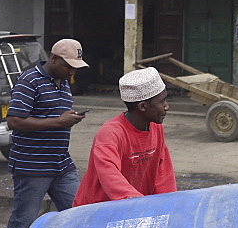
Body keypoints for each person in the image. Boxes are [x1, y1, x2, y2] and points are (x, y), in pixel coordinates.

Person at [0, 38, 88, 228]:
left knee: (80, 213)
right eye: (69, 66)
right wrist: (58, 122)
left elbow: (54, 116)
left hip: (60, 163)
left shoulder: (64, 82)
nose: (72, 71)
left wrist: (66, 119)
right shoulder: (29, 81)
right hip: (32, 165)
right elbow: (15, 121)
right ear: (54, 59)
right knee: (22, 222)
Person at [73, 67, 176, 207]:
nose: (166, 107)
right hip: (97, 211)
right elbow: (109, 175)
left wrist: (168, 205)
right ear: (143, 106)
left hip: (133, 208)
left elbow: (163, 174)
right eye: (162, 102)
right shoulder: (110, 134)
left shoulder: (156, 128)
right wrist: (137, 202)